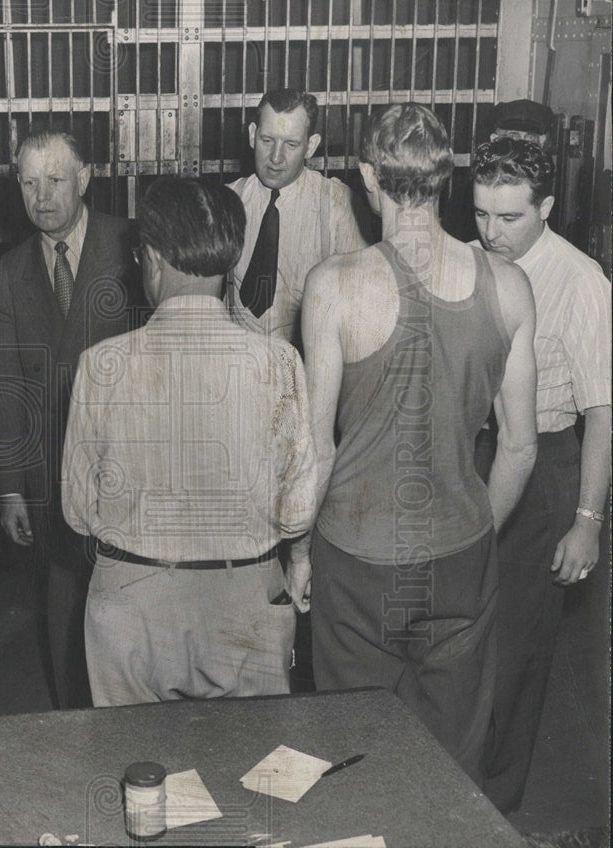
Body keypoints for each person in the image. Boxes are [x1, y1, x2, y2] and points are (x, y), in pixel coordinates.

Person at [298, 103, 539, 784]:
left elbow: (317, 448)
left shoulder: (333, 287)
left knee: (353, 759)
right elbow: (520, 447)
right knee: (451, 764)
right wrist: (475, 530)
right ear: (448, 178)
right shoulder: (509, 286)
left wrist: (295, 550)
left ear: (369, 176)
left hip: (355, 560)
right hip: (457, 556)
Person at [62, 176, 317, 706]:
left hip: (133, 607)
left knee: (140, 775)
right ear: (232, 257)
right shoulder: (279, 363)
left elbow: (78, 511)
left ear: (151, 259)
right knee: (252, 773)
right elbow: (296, 512)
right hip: (246, 606)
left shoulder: (101, 366)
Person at [471, 137, 611, 813]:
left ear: (547, 207)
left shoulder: (582, 281)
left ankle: (494, 810)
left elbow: (602, 413)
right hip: (473, 453)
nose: (490, 233)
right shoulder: (469, 263)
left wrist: (587, 523)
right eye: (480, 215)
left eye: (509, 219)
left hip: (547, 463)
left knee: (517, 655)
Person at [0, 129, 145, 709]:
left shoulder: (133, 246)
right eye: (29, 183)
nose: (42, 196)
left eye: (55, 180)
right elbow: (3, 389)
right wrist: (10, 490)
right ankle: (73, 723)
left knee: (131, 614)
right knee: (62, 608)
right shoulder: (5, 274)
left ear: (84, 179)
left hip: (131, 469)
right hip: (52, 479)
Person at [227, 88, 370, 347]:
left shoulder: (339, 206)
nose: (276, 158)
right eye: (267, 140)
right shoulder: (228, 202)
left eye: (291, 144)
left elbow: (359, 310)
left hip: (307, 368)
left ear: (310, 146)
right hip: (239, 366)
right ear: (251, 135)